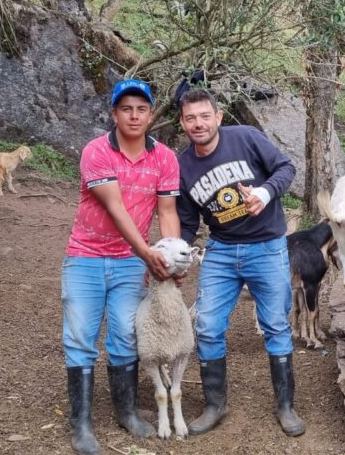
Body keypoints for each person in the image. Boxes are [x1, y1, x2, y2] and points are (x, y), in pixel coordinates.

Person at [61, 79, 181, 455]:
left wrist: (172, 258)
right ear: (114, 113)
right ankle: (81, 424)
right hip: (86, 257)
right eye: (126, 108)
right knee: (80, 337)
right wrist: (149, 253)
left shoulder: (165, 158)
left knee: (126, 337)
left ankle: (127, 412)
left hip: (130, 262)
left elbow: (167, 211)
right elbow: (115, 208)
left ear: (150, 115)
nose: (134, 115)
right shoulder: (96, 152)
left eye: (141, 109)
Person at [176, 88, 305, 437]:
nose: (198, 124)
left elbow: (286, 167)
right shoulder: (183, 166)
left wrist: (264, 193)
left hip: (266, 247)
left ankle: (285, 405)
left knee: (276, 325)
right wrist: (178, 255)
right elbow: (188, 221)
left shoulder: (245, 138)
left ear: (218, 117)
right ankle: (215, 405)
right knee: (206, 326)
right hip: (221, 251)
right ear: (182, 123)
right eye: (191, 118)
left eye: (205, 116)